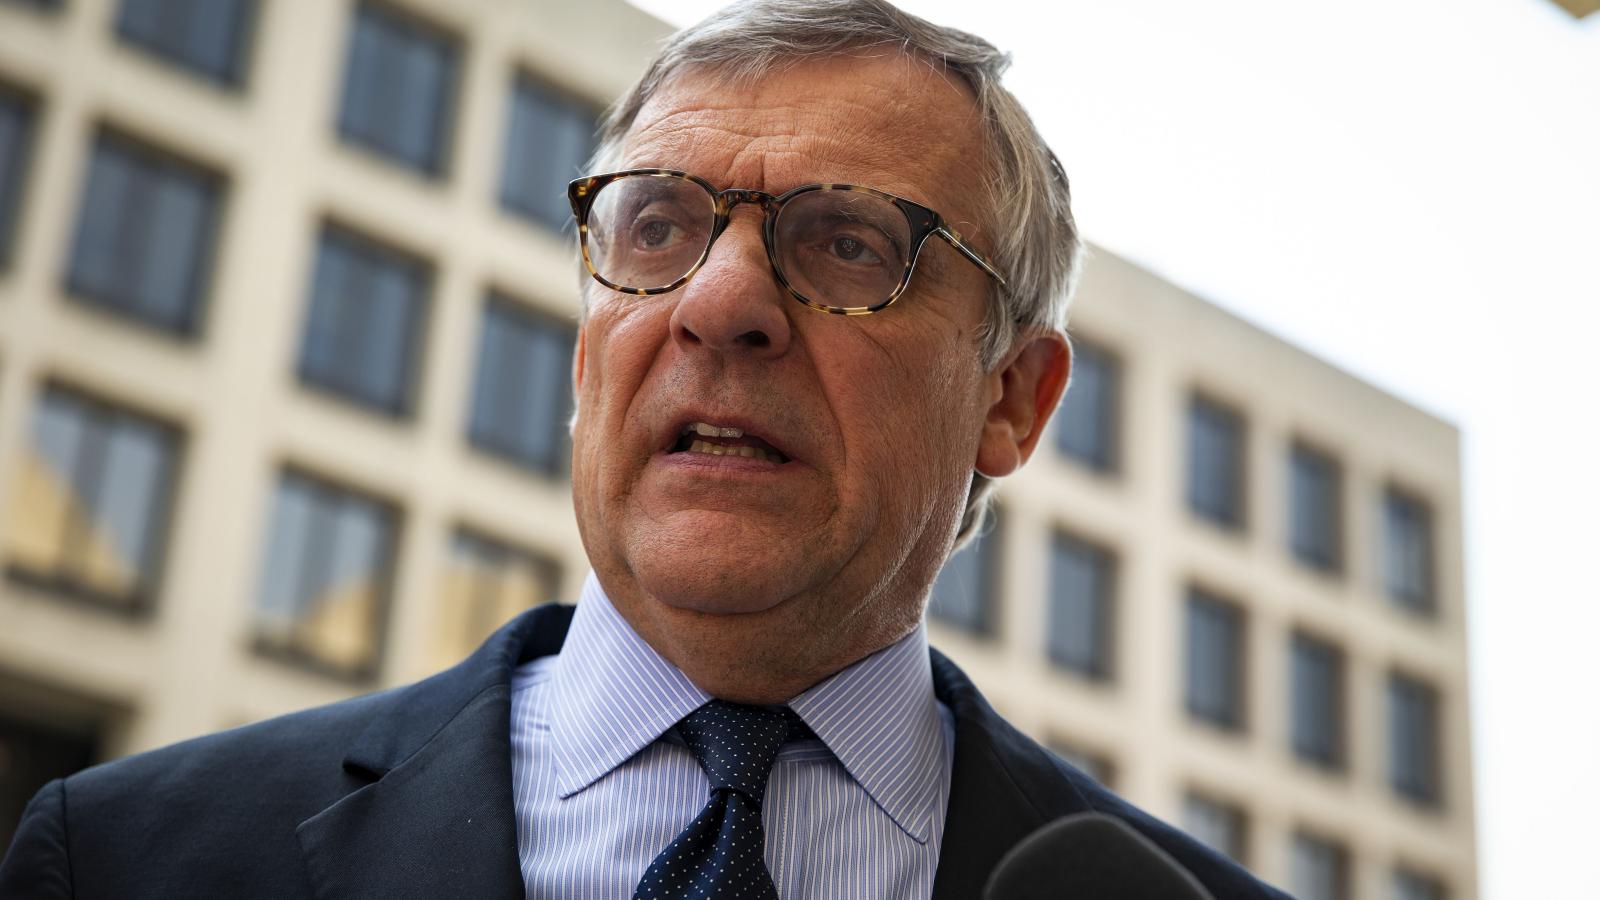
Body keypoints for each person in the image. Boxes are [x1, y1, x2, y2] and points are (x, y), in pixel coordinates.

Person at [0, 1, 1291, 897]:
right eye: (659, 227)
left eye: (849, 242)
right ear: (584, 345)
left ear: (1013, 400)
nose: (718, 303)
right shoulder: (125, 860)